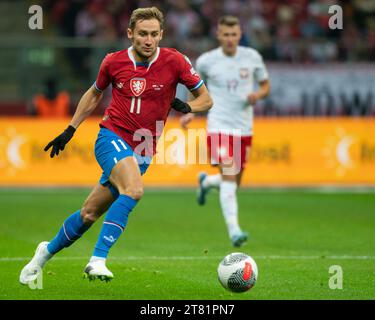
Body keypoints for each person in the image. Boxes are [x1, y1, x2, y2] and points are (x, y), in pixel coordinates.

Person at [19, 7, 212, 284]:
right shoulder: (113, 62)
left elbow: (206, 99)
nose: (148, 40)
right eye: (143, 34)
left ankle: (41, 257)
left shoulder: (176, 61)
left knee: (89, 213)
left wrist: (187, 105)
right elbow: (94, 94)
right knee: (133, 190)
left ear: (161, 35)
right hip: (112, 137)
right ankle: (98, 260)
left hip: (144, 148)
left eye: (154, 34)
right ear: (130, 33)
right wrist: (70, 129)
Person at [181, 16, 270, 247]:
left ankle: (207, 183)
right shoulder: (207, 61)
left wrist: (257, 95)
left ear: (239, 35)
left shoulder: (252, 57)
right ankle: (234, 231)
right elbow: (195, 88)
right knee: (230, 175)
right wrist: (191, 110)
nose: (230, 39)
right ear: (218, 35)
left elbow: (265, 85)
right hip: (218, 125)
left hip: (244, 128)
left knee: (234, 181)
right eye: (225, 34)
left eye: (234, 34)